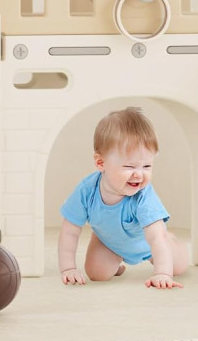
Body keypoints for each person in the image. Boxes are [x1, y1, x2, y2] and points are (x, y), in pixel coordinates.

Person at [58, 107, 188, 289]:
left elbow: (156, 238)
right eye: (129, 166)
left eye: (147, 166)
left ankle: (171, 241)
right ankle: (115, 262)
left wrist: (163, 273)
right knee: (97, 274)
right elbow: (69, 231)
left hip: (148, 244)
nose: (139, 174)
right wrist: (68, 268)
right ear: (101, 163)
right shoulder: (86, 191)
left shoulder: (143, 196)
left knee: (178, 266)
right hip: (109, 242)